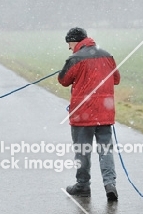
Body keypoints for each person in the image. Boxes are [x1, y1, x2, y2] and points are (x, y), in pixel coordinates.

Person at [58, 27, 120, 201]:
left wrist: (69, 66)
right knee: (105, 150)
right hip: (104, 113)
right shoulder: (107, 55)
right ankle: (110, 185)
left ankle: (83, 186)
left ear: (75, 41)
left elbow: (63, 80)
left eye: (69, 43)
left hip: (82, 114)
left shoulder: (75, 58)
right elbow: (116, 79)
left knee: (83, 150)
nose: (69, 47)